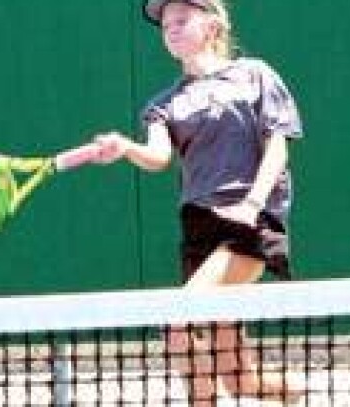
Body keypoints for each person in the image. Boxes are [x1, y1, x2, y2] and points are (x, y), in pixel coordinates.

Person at [93, 0, 304, 404]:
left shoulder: (255, 75)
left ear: (212, 24)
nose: (170, 29)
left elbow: (277, 147)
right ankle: (303, 393)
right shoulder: (163, 104)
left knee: (178, 322)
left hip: (249, 224)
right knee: (241, 380)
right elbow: (157, 158)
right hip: (199, 229)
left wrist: (252, 204)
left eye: (181, 19)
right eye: (165, 24)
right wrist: (124, 148)